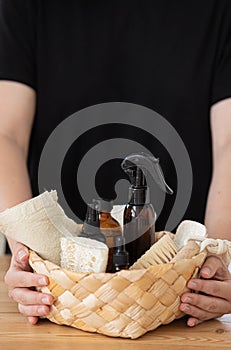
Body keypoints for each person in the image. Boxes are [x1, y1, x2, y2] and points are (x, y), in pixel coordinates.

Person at [1, 0, 231, 328]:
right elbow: (5, 134)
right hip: (58, 296)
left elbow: (229, 143)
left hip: (181, 299)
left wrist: (216, 260)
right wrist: (29, 257)